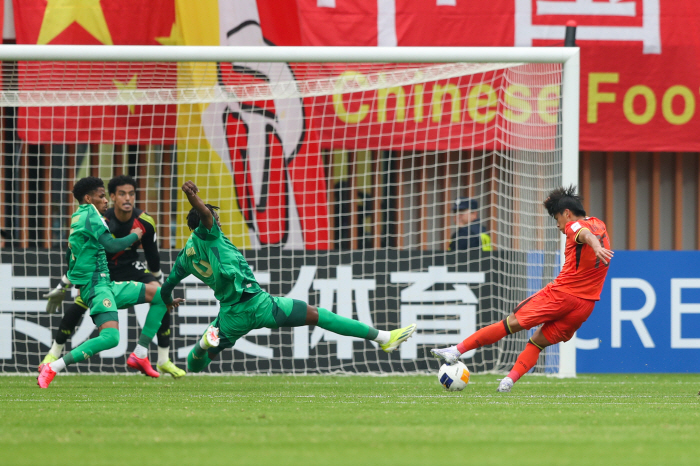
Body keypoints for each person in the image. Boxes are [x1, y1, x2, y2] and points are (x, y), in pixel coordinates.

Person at [160, 181, 417, 372]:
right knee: (318, 316)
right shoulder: (209, 233)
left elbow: (167, 286)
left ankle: (205, 344)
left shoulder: (184, 258)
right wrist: (192, 197)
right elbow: (204, 214)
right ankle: (384, 338)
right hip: (258, 304)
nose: (217, 221)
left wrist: (169, 300)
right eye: (215, 218)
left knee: (196, 365)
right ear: (204, 223)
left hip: (230, 316)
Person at [432, 186, 613, 392]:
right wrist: (597, 246)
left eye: (557, 219)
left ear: (567, 213)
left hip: (561, 295)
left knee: (510, 324)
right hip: (585, 306)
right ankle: (508, 381)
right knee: (537, 343)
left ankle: (456, 351)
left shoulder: (574, 226)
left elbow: (584, 233)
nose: (558, 226)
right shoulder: (599, 223)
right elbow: (590, 233)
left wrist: (595, 247)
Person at [37, 177, 184, 388]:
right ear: (88, 198)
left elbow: (74, 256)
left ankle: (141, 353)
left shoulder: (82, 217)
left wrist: (63, 285)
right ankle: (53, 366)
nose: (106, 200)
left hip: (107, 283)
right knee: (111, 338)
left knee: (160, 295)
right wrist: (135, 236)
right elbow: (112, 245)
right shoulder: (91, 216)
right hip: (97, 286)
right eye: (102, 196)